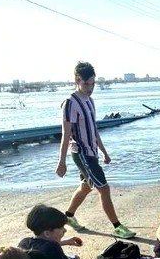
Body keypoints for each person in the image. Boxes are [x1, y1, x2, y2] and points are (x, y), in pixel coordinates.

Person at [55, 61, 136, 239]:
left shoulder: (90, 101)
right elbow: (65, 134)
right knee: (104, 189)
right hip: (81, 152)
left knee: (86, 186)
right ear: (77, 80)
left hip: (92, 152)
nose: (90, 88)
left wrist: (104, 152)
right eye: (86, 84)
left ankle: (68, 217)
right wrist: (61, 162)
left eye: (93, 83)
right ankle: (117, 226)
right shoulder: (70, 103)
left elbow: (94, 130)